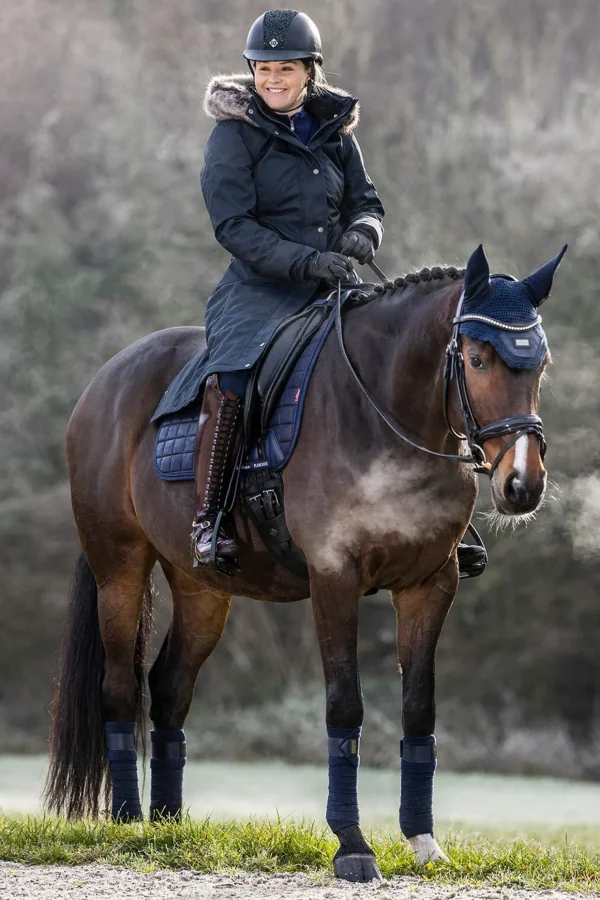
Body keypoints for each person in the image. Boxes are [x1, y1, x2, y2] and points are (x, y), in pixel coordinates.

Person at [191, 8, 385, 568]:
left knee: (400, 349)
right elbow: (234, 227)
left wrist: (362, 233)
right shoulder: (232, 136)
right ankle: (211, 517)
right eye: (263, 68)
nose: (272, 79)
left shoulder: (335, 130)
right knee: (232, 374)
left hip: (334, 281)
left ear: (310, 72)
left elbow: (365, 201)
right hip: (258, 289)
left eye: (286, 69)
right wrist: (308, 262)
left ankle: (426, 508)